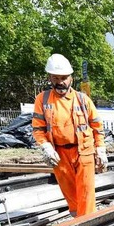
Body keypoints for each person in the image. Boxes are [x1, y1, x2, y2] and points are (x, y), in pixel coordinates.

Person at [32, 53, 108, 217]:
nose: (60, 82)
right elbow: (38, 128)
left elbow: (97, 126)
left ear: (71, 78)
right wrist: (46, 147)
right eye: (56, 78)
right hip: (59, 154)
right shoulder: (42, 99)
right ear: (50, 78)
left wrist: (100, 149)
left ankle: (87, 224)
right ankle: (77, 221)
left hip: (84, 151)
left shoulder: (83, 99)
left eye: (64, 77)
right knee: (70, 194)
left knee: (86, 192)